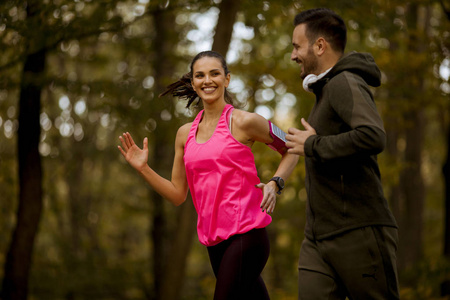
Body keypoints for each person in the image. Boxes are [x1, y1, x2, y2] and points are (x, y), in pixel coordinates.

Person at [118, 50, 298, 300]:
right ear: (193, 83)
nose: (207, 80)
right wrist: (144, 169)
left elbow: (292, 148)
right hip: (215, 244)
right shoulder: (184, 134)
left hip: (248, 235)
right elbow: (177, 194)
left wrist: (275, 183)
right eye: (200, 76)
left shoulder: (245, 122)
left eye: (215, 73)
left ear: (227, 79)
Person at [285, 8, 400, 300]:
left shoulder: (344, 82)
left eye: (297, 46)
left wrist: (313, 145)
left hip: (359, 232)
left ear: (319, 45)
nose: (293, 55)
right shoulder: (324, 91)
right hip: (317, 238)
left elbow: (373, 135)